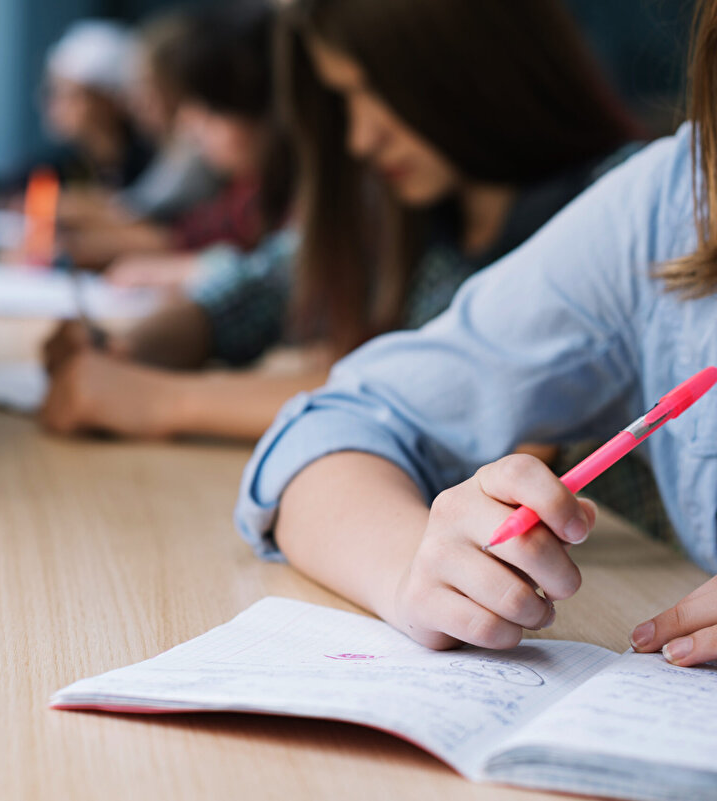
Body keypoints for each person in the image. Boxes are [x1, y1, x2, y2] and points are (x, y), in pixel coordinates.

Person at [233, 0, 717, 669]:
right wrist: (417, 569)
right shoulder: (671, 207)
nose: (359, 140)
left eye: (372, 91)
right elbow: (338, 420)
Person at [41, 0, 642, 444]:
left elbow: (448, 393)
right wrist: (130, 348)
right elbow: (260, 288)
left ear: (470, 63)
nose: (360, 137)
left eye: (374, 92)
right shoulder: (403, 201)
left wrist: (161, 401)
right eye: (344, 101)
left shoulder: (622, 204)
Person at [60, 3, 294, 270]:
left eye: (212, 109)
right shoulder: (245, 190)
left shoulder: (268, 193)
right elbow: (190, 235)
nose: (190, 123)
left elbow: (163, 229)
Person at [0, 20, 152, 213]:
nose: (51, 103)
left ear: (108, 100)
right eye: (51, 91)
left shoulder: (152, 163)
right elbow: (3, 186)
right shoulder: (67, 161)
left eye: (66, 93)